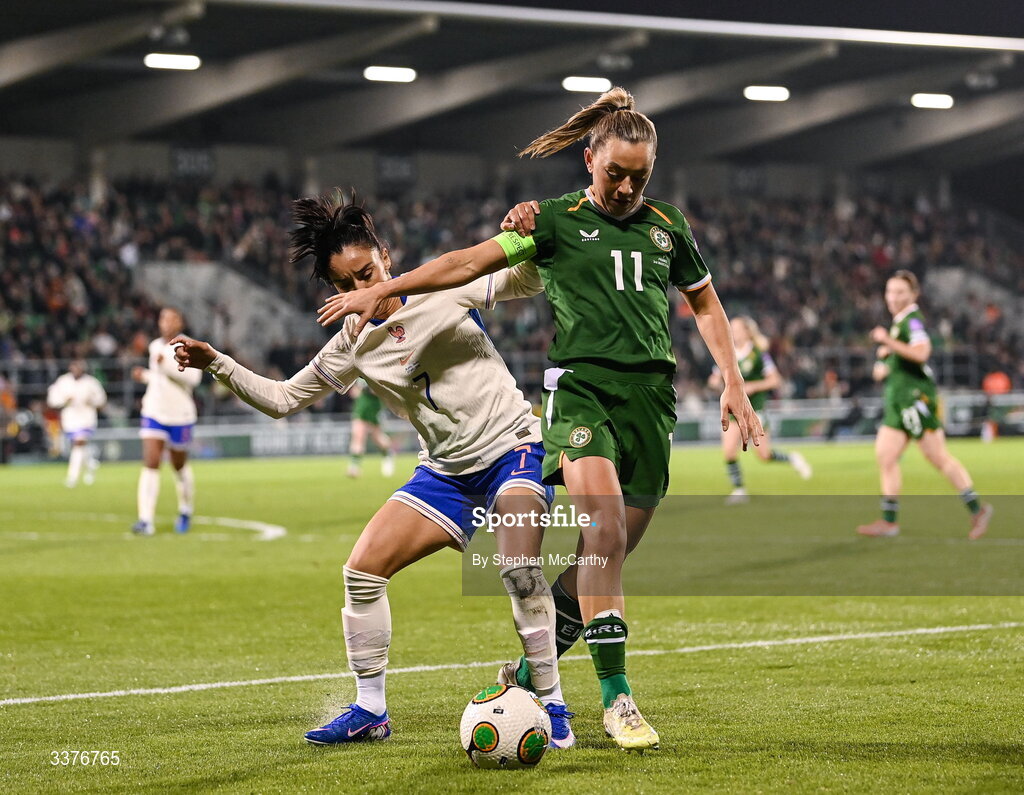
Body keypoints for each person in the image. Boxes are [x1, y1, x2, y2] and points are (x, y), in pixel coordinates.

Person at [316, 87, 763, 750]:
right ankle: (617, 700)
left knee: (601, 555)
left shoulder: (668, 227)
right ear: (589, 160)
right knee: (604, 530)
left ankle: (529, 673)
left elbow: (706, 305)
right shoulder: (553, 221)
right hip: (581, 393)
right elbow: (468, 262)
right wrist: (386, 287)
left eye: (640, 176)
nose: (626, 186)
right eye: (615, 172)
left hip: (650, 403)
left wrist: (735, 381)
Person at [172, 196, 575, 749]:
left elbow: (526, 279)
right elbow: (285, 398)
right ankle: (371, 709)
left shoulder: (443, 285)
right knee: (361, 570)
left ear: (385, 257)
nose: (359, 289)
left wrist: (531, 227)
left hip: (513, 448)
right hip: (446, 473)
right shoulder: (351, 342)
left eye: (367, 273)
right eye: (345, 284)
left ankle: (552, 703)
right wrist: (217, 361)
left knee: (517, 564)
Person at [857, 270, 992, 539]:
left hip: (916, 399)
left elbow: (921, 352)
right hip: (898, 401)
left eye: (899, 293)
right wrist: (886, 363)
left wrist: (887, 342)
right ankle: (889, 521)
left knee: (937, 457)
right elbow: (902, 356)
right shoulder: (900, 323)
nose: (893, 298)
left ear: (913, 295)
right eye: (889, 292)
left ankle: (978, 509)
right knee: (885, 456)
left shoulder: (912, 321)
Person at [707, 317, 811, 504]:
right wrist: (714, 383)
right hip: (733, 410)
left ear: (748, 331)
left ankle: (792, 458)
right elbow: (714, 377)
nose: (734, 332)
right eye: (732, 328)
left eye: (738, 329)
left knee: (764, 455)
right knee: (729, 451)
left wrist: (753, 386)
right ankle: (739, 489)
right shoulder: (725, 353)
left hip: (755, 410)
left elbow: (775, 380)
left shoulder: (759, 355)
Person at [131, 307, 202, 536]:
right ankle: (145, 520)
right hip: (154, 411)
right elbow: (160, 378)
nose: (165, 322)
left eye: (170, 318)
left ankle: (185, 510)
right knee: (151, 461)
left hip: (180, 414)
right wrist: (145, 376)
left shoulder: (190, 346)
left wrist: (166, 366)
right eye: (162, 318)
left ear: (179, 322)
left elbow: (193, 378)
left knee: (178, 465)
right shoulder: (154, 346)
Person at [46, 359, 106, 487]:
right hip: (70, 419)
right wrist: (65, 400)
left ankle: (72, 477)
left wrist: (91, 401)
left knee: (79, 443)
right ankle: (90, 463)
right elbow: (52, 399)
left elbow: (101, 399)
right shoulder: (63, 381)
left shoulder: (91, 382)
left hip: (86, 417)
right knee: (77, 445)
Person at [347, 378, 396, 478]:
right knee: (358, 435)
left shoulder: (377, 371)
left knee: (377, 437)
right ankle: (354, 466)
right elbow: (355, 390)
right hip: (361, 405)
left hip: (374, 406)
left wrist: (367, 388)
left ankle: (388, 455)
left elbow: (380, 390)